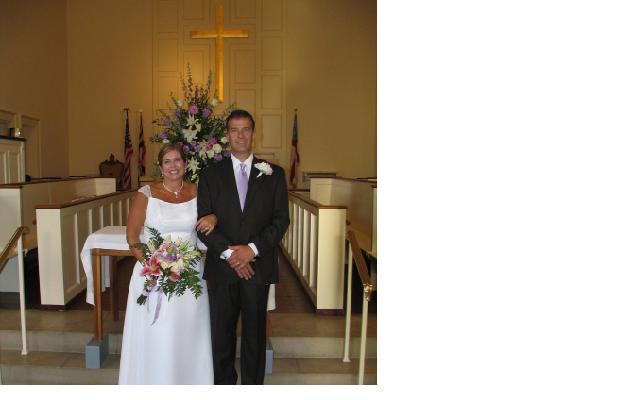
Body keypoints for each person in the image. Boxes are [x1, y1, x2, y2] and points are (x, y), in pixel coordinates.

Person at [197, 109, 290, 385]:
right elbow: (202, 223)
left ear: (253, 133)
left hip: (257, 268)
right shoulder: (210, 175)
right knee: (221, 337)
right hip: (222, 270)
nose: (240, 135)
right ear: (227, 136)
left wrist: (252, 249)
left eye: (246, 129)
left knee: (254, 337)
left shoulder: (273, 174)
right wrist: (231, 254)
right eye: (234, 130)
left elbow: (281, 219)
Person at [118, 143, 218, 384]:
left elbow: (214, 215)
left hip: (191, 273)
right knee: (158, 333)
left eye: (177, 161)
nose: (173, 166)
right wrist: (154, 265)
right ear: (160, 167)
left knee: (188, 333)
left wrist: (214, 216)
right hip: (154, 275)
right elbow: (132, 238)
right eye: (167, 162)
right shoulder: (146, 194)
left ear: (185, 164)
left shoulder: (198, 191)